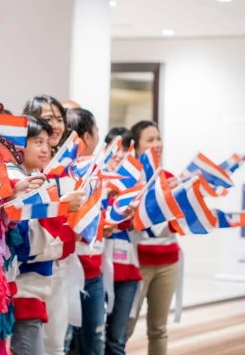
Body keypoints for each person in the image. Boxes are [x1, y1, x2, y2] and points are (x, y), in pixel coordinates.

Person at [6, 117, 82, 355]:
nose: (45, 148)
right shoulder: (16, 181)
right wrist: (61, 209)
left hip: (31, 291)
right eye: (37, 141)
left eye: (46, 142)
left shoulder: (33, 179)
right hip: (20, 293)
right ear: (17, 144)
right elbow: (25, 246)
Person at [126, 121, 178, 355]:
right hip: (137, 262)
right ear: (136, 146)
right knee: (125, 327)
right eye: (150, 140)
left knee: (159, 328)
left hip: (169, 260)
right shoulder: (128, 180)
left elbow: (178, 223)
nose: (157, 144)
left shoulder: (168, 178)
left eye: (158, 138)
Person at [65, 107, 104, 355]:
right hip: (69, 270)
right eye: (97, 130)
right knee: (72, 344)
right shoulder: (71, 173)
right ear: (88, 137)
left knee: (86, 343)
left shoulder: (93, 172)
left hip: (93, 268)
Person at [102, 128, 142, 355]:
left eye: (125, 149)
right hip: (96, 270)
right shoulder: (94, 180)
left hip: (126, 270)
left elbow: (142, 226)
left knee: (117, 341)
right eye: (115, 147)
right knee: (93, 340)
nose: (119, 154)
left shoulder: (135, 186)